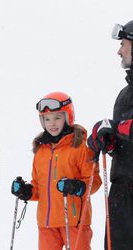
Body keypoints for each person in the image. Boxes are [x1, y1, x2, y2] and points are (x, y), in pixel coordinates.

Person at [11, 91, 102, 250]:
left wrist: (77, 186)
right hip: (47, 223)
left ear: (68, 117)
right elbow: (38, 188)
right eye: (47, 119)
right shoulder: (41, 151)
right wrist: (26, 191)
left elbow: (95, 182)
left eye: (57, 118)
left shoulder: (80, 147)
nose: (52, 123)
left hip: (75, 221)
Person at [87, 20, 133, 250]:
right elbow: (122, 145)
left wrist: (118, 128)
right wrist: (105, 138)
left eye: (123, 44)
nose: (119, 51)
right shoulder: (124, 95)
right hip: (122, 191)